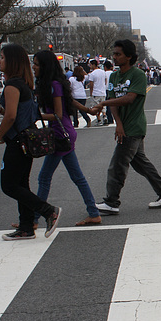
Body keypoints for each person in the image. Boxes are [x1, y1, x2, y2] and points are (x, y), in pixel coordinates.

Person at [92, 39, 161, 215]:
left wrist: (105, 103)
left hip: (135, 126)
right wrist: (118, 124)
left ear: (129, 56)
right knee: (141, 164)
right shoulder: (114, 76)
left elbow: (130, 98)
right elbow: (114, 102)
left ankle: (111, 202)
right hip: (125, 126)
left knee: (117, 165)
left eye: (118, 54)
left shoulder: (137, 75)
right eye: (114, 53)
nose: (114, 57)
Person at [0, 43, 61, 240]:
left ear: (10, 61)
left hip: (17, 142)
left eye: (1, 57)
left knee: (9, 185)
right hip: (27, 140)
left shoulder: (11, 85)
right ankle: (26, 227)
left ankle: (48, 211)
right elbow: (18, 113)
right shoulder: (23, 84)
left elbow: (11, 117)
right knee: (21, 184)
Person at [31, 50, 102, 228]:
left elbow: (57, 113)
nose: (34, 67)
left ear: (45, 66)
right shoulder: (55, 83)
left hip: (59, 135)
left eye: (37, 64)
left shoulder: (53, 84)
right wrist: (88, 111)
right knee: (77, 177)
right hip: (65, 134)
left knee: (44, 178)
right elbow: (70, 102)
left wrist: (36, 115)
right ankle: (93, 213)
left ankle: (32, 220)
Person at [87, 59, 107, 126]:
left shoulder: (92, 74)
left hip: (96, 92)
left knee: (96, 107)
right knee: (103, 106)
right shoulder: (103, 72)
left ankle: (99, 119)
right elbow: (105, 80)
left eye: (90, 65)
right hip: (103, 92)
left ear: (93, 65)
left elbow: (91, 84)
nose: (90, 66)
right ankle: (104, 116)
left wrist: (91, 93)